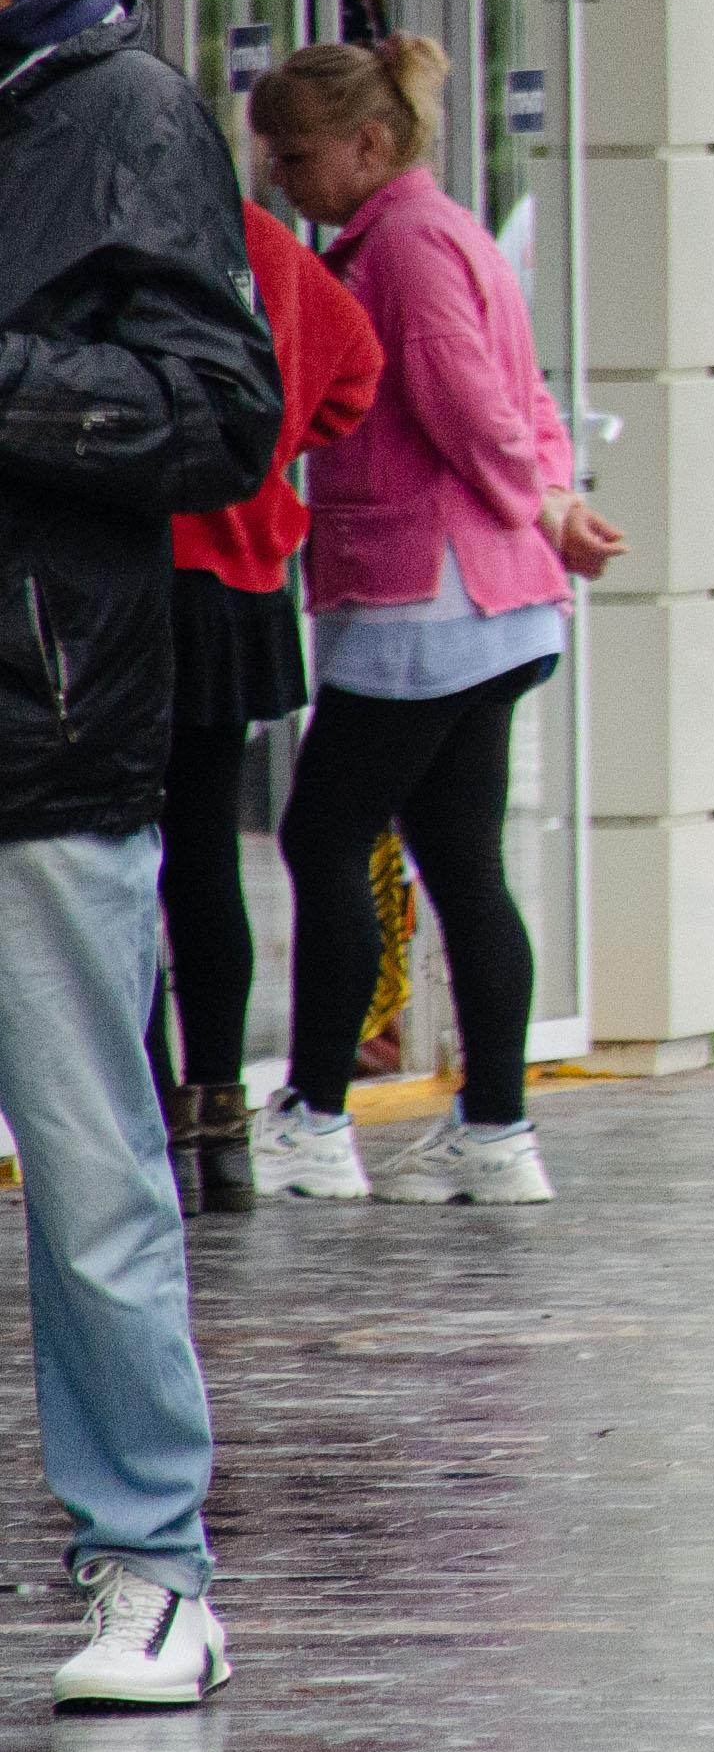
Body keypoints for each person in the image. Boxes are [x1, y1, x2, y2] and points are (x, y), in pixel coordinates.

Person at [0, 0, 282, 1709]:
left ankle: (154, 1567)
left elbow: (224, 412)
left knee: (93, 1169)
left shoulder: (118, 111)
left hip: (43, 727)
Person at [246, 38, 626, 1209]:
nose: (281, 183)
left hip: (427, 596)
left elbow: (468, 407)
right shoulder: (443, 228)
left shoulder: (400, 248)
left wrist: (537, 497)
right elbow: (524, 399)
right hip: (495, 598)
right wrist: (552, 501)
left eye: (297, 157)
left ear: (368, 144)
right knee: (463, 861)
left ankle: (313, 1116)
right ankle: (496, 1129)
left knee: (324, 838)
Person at [161, 197, 383, 1204]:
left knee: (104, 861)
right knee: (203, 849)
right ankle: (219, 1126)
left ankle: (148, 1109)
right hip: (241, 574)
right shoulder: (256, 234)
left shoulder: (101, 213)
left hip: (135, 574)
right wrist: (273, 447)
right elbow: (354, 367)